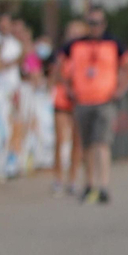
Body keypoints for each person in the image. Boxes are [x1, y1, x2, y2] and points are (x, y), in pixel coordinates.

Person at [62, 8, 128, 204]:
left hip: (105, 101)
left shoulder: (114, 44)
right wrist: (68, 87)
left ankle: (104, 186)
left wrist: (120, 88)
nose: (95, 26)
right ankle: (90, 184)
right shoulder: (75, 45)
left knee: (102, 143)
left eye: (98, 22)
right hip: (83, 101)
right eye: (91, 22)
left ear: (104, 24)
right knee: (87, 145)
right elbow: (59, 66)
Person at [49, 20, 87, 197]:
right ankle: (58, 178)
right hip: (63, 97)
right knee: (60, 139)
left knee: (77, 141)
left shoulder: (86, 53)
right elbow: (56, 74)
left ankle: (72, 179)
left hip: (80, 99)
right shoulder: (62, 54)